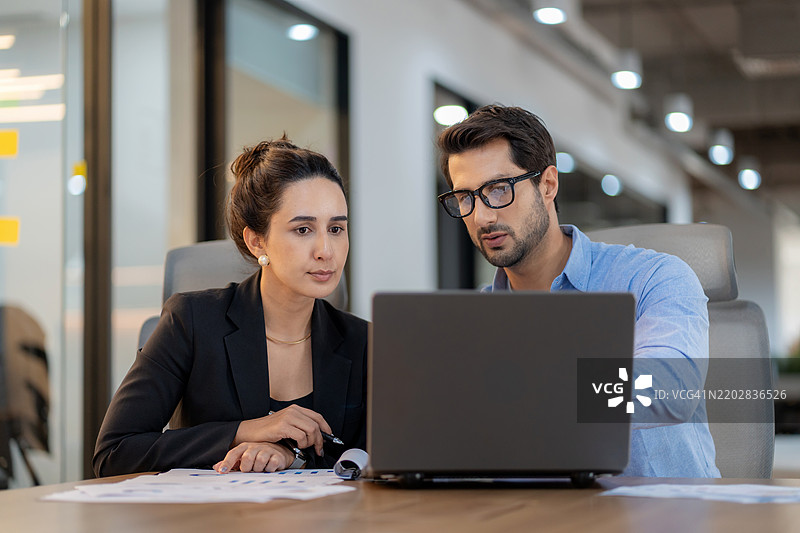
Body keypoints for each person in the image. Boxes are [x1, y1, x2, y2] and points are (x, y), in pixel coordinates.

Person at [436, 104, 720, 478]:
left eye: (498, 189)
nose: (482, 217)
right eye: (466, 197)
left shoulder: (655, 278)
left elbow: (666, 388)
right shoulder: (472, 322)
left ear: (548, 184)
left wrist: (526, 390)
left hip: (660, 517)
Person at [93, 136, 367, 477]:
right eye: (303, 229)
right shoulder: (191, 321)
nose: (326, 250)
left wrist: (288, 456)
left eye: (337, 228)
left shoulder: (364, 341)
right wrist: (244, 430)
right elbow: (115, 453)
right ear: (257, 241)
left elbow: (372, 455)